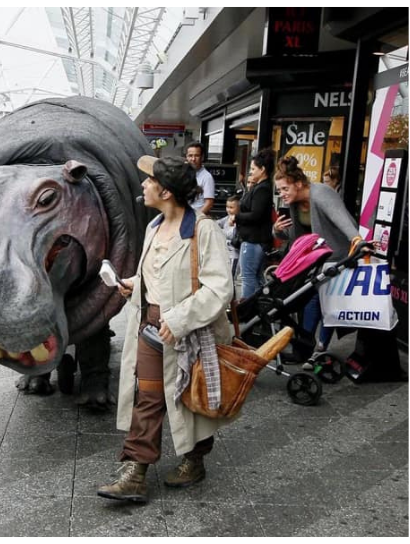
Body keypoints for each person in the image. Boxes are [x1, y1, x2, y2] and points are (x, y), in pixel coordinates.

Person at [97, 156, 233, 504]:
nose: (143, 185)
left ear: (167, 191)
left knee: (191, 398)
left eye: (149, 180)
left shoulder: (203, 230)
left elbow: (219, 288)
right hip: (149, 327)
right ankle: (136, 472)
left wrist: (177, 320)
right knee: (148, 397)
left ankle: (195, 459)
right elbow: (155, 275)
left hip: (188, 330)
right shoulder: (153, 227)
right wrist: (133, 285)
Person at [273, 156, 362, 356]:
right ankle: (309, 345)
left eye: (285, 189)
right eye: (279, 190)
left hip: (339, 255)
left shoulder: (321, 193)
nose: (282, 194)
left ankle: (318, 346)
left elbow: (342, 220)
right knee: (312, 298)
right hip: (318, 258)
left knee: (322, 300)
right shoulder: (295, 203)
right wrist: (277, 230)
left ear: (298, 183)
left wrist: (357, 240)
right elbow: (297, 237)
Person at [234, 148, 275, 299]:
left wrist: (237, 216)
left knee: (248, 277)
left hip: (254, 239)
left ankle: (249, 310)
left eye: (253, 169)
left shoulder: (262, 189)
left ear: (262, 169)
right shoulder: (259, 187)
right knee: (256, 277)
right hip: (254, 239)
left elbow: (256, 214)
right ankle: (261, 307)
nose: (250, 172)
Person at [217, 193, 241, 292]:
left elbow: (232, 235)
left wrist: (220, 233)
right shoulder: (227, 218)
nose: (228, 210)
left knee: (231, 280)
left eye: (231, 207)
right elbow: (216, 223)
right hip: (226, 254)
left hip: (234, 255)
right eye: (227, 207)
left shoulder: (239, 220)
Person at [185, 141, 215, 215]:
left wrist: (196, 217)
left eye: (197, 155)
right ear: (186, 157)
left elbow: (209, 203)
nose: (193, 159)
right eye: (190, 156)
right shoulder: (183, 174)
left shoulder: (207, 177)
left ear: (202, 157)